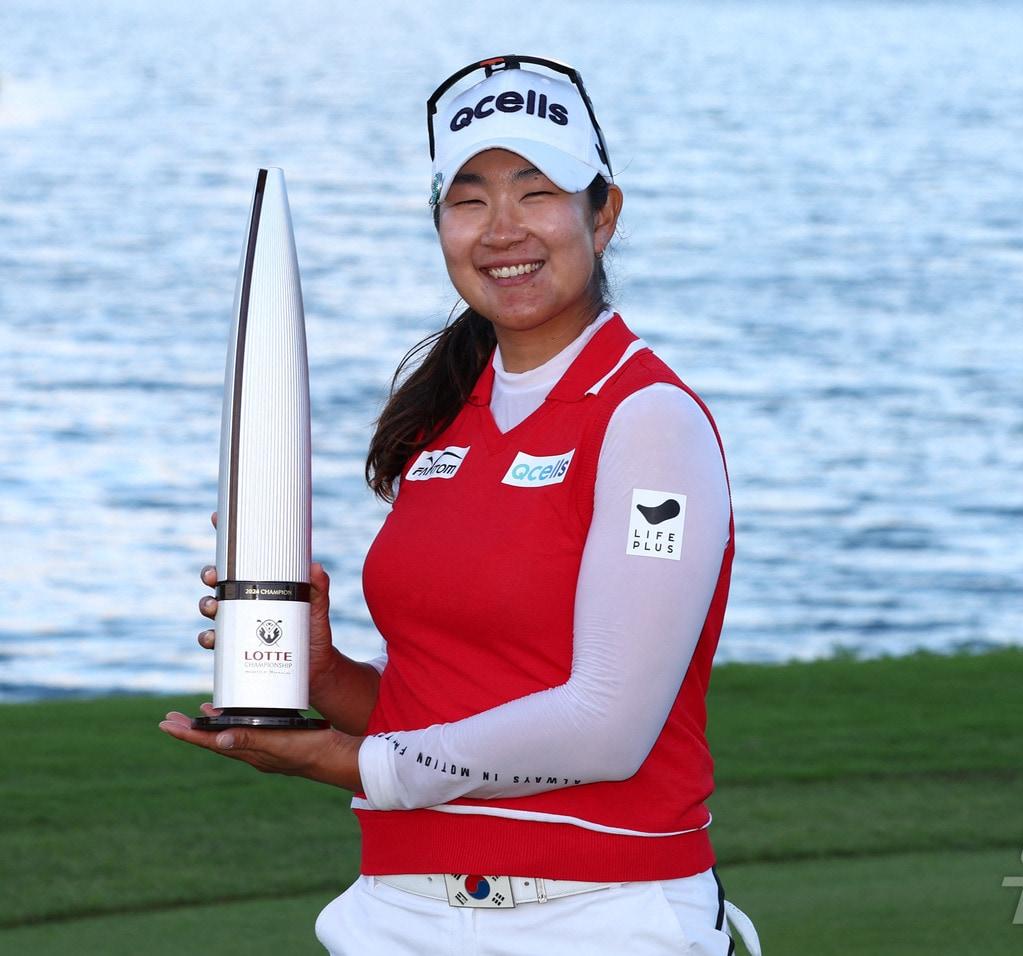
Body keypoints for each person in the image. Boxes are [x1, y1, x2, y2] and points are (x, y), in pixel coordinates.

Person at [159, 54, 760, 955]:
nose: (502, 230)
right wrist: (325, 679)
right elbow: (443, 713)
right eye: (469, 198)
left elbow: (607, 728)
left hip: (599, 918)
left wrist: (353, 764)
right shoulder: (446, 425)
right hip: (398, 913)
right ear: (439, 223)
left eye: (538, 191)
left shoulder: (650, 421)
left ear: (605, 213)